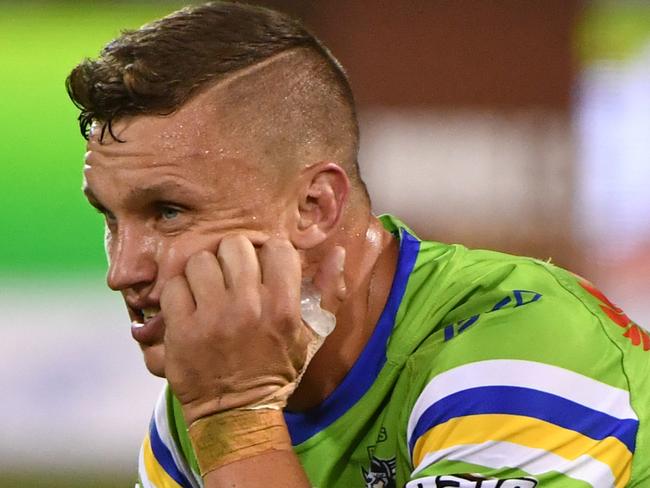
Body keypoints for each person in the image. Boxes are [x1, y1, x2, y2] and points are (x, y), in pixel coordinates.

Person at [67, 2, 649, 487]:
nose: (123, 270)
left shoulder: (521, 345)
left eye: (169, 212)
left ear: (314, 208)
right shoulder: (194, 416)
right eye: (111, 219)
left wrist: (237, 421)